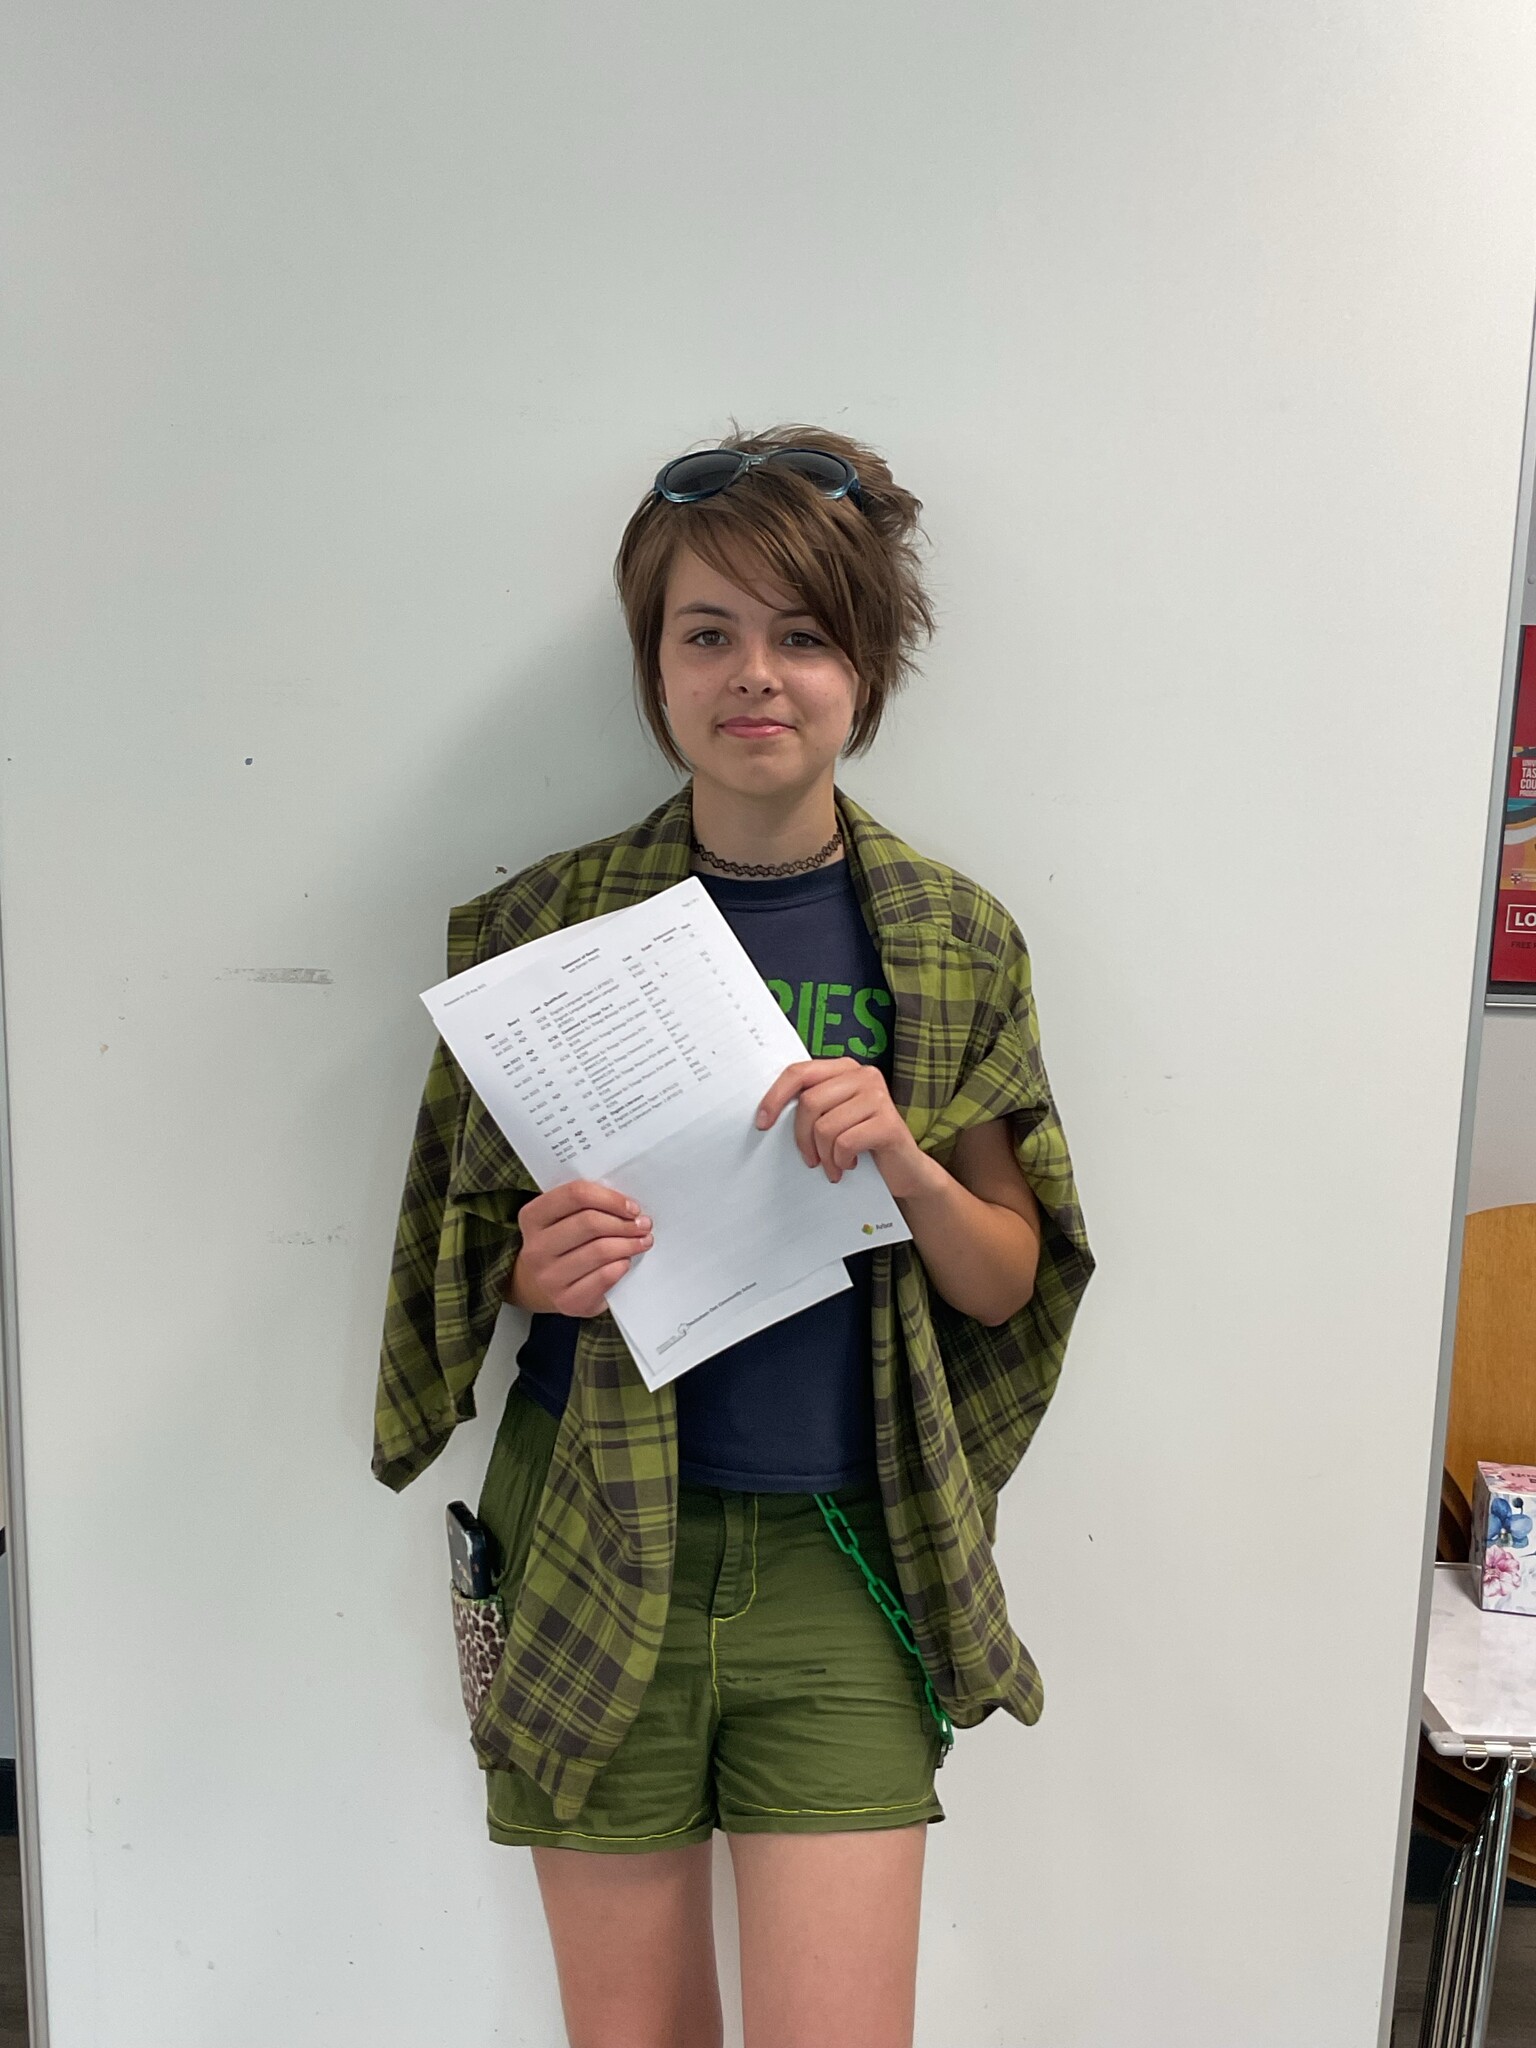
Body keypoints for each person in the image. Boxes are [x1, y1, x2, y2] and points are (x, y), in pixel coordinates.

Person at [373, 426, 1093, 2048]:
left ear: (866, 667)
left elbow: (1007, 1281)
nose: (754, 674)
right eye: (708, 633)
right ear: (655, 665)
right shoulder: (546, 931)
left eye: (804, 635)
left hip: (845, 1551)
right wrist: (533, 1268)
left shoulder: (952, 939)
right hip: (593, 1531)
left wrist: (906, 1163)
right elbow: (456, 1254)